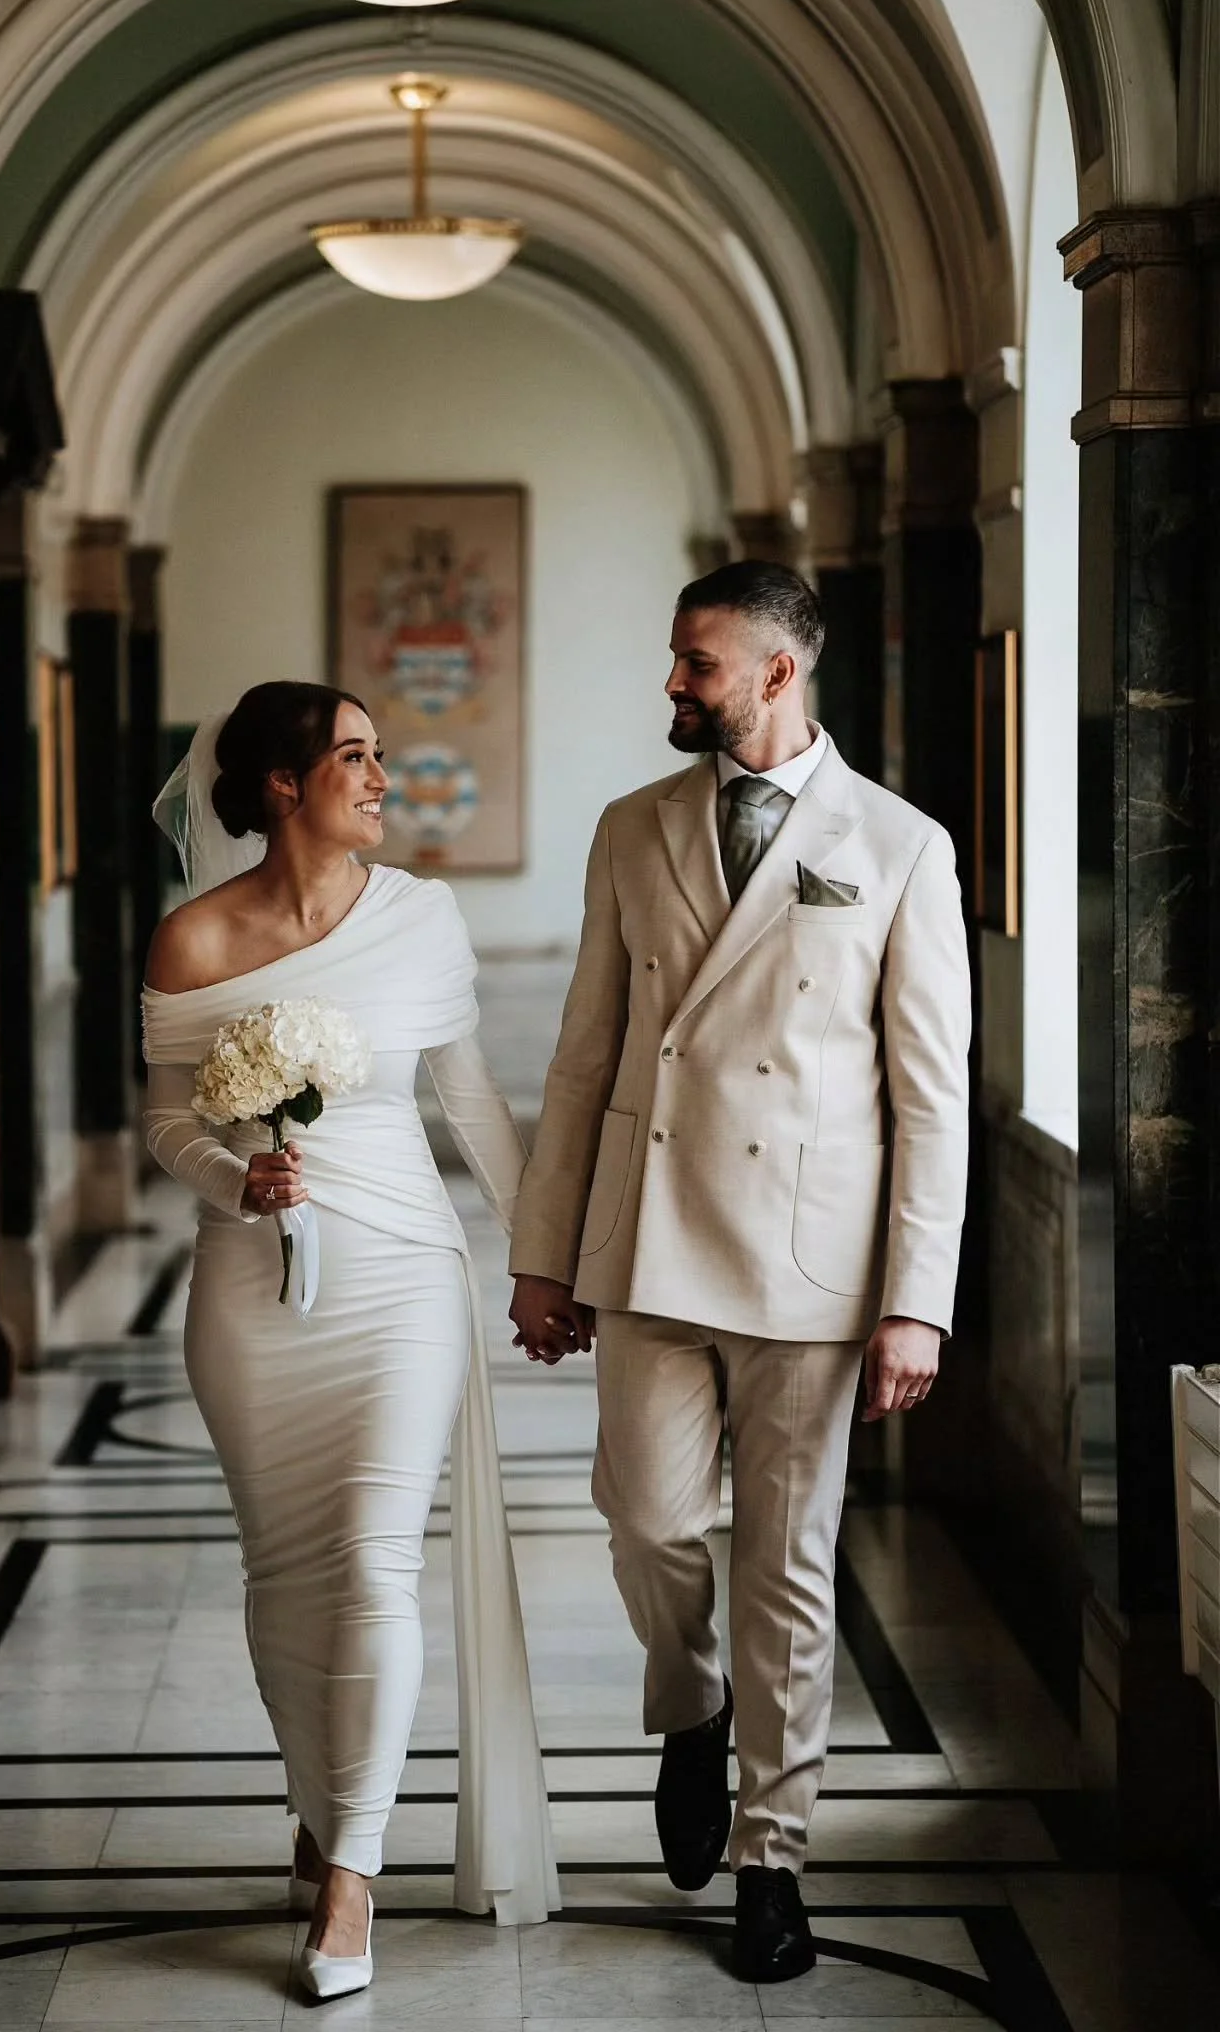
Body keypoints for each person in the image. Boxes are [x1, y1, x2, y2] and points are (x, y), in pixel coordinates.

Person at [508, 562, 971, 1984]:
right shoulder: (631, 829)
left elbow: (932, 1096)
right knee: (644, 1519)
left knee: (792, 1568)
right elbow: (584, 1059)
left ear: (778, 672)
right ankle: (691, 1701)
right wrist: (541, 1254)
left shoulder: (897, 846)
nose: (672, 683)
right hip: (645, 1248)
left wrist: (918, 1298)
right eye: (673, 658)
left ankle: (774, 1859)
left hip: (813, 1271)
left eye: (696, 663)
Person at [142, 682, 559, 2002]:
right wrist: (234, 1182)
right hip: (251, 1288)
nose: (384, 777)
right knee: (284, 1573)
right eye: (357, 756)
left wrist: (547, 1257)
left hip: (403, 1276)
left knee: (377, 1568)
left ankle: (352, 1875)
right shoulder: (192, 941)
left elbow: (473, 1102)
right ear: (280, 783)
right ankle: (320, 1797)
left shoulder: (422, 918)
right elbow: (169, 1126)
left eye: (383, 755)